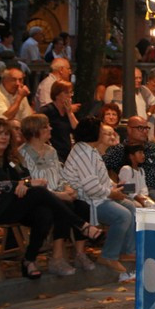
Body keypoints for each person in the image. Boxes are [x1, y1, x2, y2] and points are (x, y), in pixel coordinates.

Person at [0, 119, 100, 280]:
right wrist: (23, 184)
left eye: (7, 134)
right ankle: (82, 225)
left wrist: (25, 183)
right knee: (39, 192)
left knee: (45, 213)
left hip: (18, 205)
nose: (4, 137)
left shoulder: (11, 159)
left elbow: (25, 177)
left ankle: (29, 260)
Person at [17, 114, 95, 272]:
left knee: (83, 206)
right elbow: (28, 183)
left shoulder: (51, 151)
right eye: (46, 126)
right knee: (64, 207)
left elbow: (60, 174)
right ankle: (57, 258)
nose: (50, 128)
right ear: (35, 131)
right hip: (39, 198)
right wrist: (59, 195)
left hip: (60, 193)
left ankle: (80, 254)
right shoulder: (21, 153)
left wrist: (68, 188)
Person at [61, 118, 137, 280]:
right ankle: (108, 255)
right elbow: (91, 187)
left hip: (100, 196)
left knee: (131, 206)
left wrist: (116, 187)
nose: (104, 134)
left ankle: (127, 251)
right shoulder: (83, 153)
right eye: (102, 131)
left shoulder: (91, 150)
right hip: (87, 200)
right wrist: (112, 193)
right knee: (122, 215)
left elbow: (102, 179)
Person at [103, 116, 155, 205]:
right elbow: (100, 168)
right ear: (129, 130)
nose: (145, 131)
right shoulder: (120, 150)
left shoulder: (153, 147)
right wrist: (117, 187)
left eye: (146, 128)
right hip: (144, 191)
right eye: (140, 128)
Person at [38, 80, 79, 162]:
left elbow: (77, 130)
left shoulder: (68, 112)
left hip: (66, 153)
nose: (70, 95)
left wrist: (70, 113)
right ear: (57, 95)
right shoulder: (47, 111)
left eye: (71, 92)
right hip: (51, 154)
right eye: (66, 93)